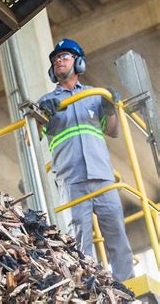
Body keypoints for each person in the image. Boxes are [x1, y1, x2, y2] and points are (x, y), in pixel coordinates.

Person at [38, 38, 134, 282]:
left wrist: (110, 108)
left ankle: (127, 286)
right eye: (55, 58)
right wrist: (42, 115)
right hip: (71, 180)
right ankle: (90, 289)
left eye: (65, 56)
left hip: (103, 177)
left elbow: (112, 131)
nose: (59, 60)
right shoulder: (46, 102)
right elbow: (30, 139)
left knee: (117, 236)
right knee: (80, 243)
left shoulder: (94, 95)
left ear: (78, 63)